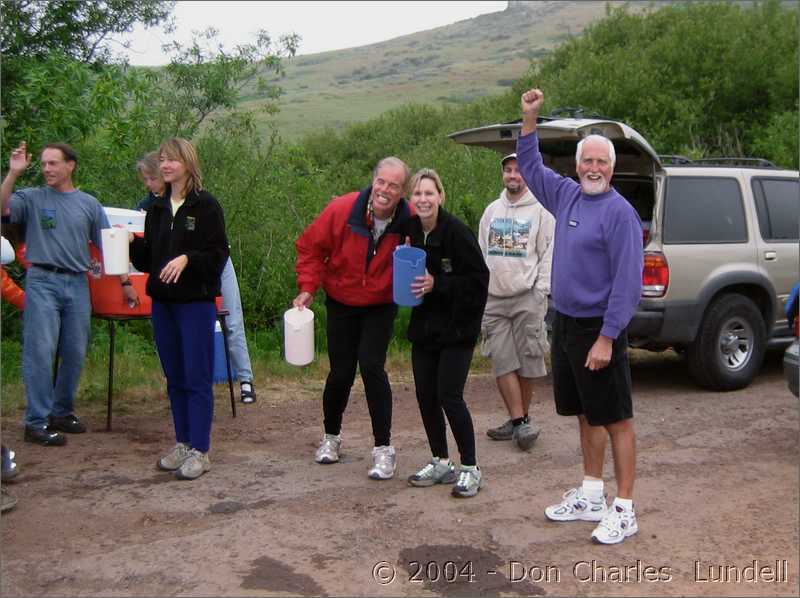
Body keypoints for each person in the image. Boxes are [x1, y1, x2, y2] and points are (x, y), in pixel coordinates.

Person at [516, 88, 643, 545]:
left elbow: (628, 286)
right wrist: (529, 118)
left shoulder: (620, 215)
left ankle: (624, 509)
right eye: (586, 161)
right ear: (576, 165)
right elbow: (530, 168)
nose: (593, 168)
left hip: (598, 331)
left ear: (612, 168)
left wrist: (607, 338)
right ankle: (592, 495)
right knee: (586, 414)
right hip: (565, 322)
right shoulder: (567, 196)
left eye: (601, 162)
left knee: (616, 418)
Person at [1, 141, 138, 446]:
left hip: (78, 282)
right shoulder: (32, 198)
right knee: (41, 351)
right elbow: (3, 209)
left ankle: (61, 412)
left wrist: (126, 283)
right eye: (44, 164)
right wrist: (12, 174)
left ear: (70, 165)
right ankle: (35, 422)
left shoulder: (89, 204)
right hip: (43, 280)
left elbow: (109, 246)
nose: (47, 169)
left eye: (53, 163)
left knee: (75, 350)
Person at [294, 156, 414, 480]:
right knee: (340, 372)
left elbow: (430, 254)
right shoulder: (342, 209)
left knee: (372, 366)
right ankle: (331, 438)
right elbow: (309, 248)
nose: (385, 190)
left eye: (394, 185)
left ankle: (383, 449)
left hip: (380, 301)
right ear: (373, 181)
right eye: (381, 182)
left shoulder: (411, 220)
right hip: (342, 299)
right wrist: (307, 288)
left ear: (403, 191)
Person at [129, 138, 229, 480]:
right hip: (164, 304)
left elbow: (218, 255)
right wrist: (131, 246)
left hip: (195, 303)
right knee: (175, 376)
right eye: (163, 160)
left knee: (197, 375)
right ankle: (183, 441)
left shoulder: (206, 206)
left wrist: (188, 258)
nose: (167, 165)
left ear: (187, 163)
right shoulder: (156, 209)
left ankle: (201, 450)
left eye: (172, 160)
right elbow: (149, 261)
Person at [135, 152, 257, 404]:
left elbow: (214, 246)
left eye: (150, 178)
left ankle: (245, 379)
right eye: (145, 180)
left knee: (231, 318)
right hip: (176, 281)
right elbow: (151, 252)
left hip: (212, 265)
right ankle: (180, 386)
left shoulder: (200, 202)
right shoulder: (151, 208)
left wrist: (192, 258)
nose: (148, 184)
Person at [404, 169, 489, 497]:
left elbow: (479, 282)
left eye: (429, 193)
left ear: (441, 196)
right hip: (424, 328)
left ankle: (470, 467)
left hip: (458, 329)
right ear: (411, 200)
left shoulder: (457, 233)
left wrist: (437, 284)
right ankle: (441, 461)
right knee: (426, 396)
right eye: (417, 194)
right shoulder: (410, 230)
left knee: (449, 396)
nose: (423, 199)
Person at [479, 153, 555, 451]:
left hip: (528, 296)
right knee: (502, 360)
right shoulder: (491, 212)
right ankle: (521, 422)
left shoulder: (541, 212)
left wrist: (541, 291)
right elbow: (482, 251)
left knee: (526, 362)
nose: (513, 175)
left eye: (519, 171)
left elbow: (549, 252)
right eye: (508, 170)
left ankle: (518, 421)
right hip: (494, 298)